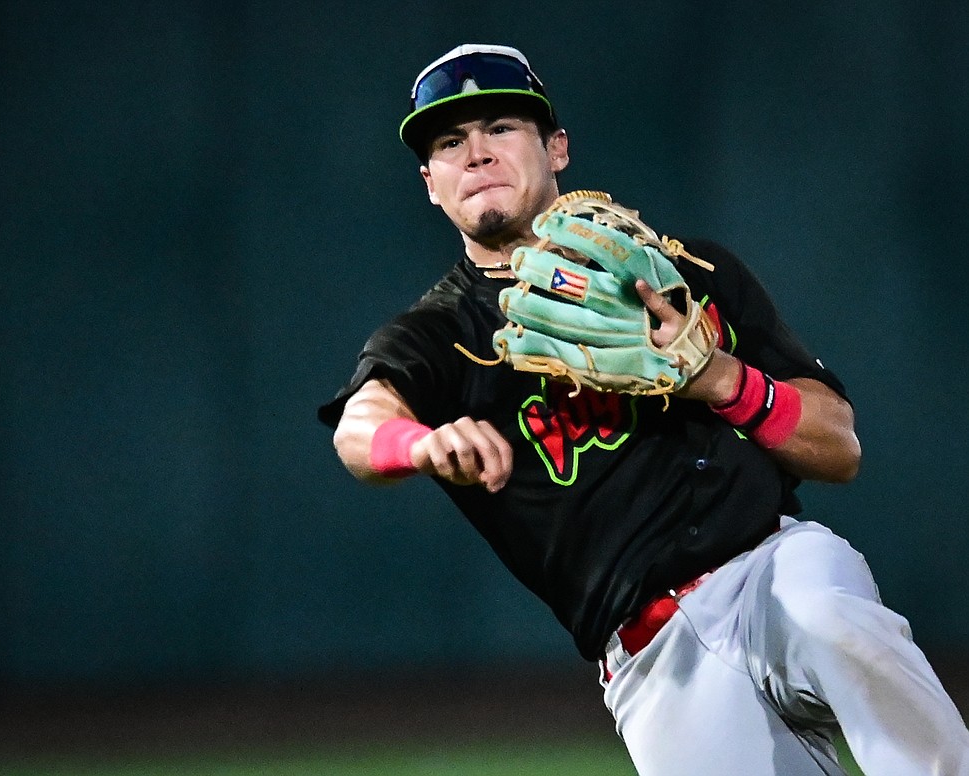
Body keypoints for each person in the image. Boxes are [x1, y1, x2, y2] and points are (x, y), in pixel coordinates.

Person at [317, 43, 969, 775]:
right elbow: (359, 426)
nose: (475, 153)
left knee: (836, 623)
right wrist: (419, 446)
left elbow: (838, 447)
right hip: (652, 661)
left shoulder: (684, 273)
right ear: (430, 183)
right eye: (449, 142)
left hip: (772, 571)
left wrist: (721, 379)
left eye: (500, 127)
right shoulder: (439, 336)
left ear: (556, 148)